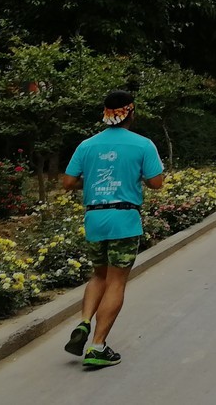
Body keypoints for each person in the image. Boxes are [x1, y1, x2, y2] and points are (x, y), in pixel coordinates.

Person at [60, 90, 165, 369]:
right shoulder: (143, 144)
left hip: (94, 218)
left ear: (106, 112)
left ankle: (83, 323)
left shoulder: (87, 145)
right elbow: (156, 183)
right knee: (116, 282)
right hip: (124, 219)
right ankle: (97, 347)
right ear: (131, 112)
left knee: (98, 275)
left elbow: (68, 182)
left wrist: (92, 182)